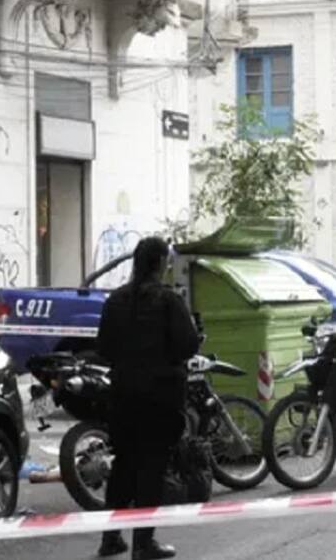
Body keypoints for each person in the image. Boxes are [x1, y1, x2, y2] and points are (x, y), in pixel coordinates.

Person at [96, 237, 198, 560]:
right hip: (160, 397)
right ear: (160, 263)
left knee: (124, 464)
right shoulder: (168, 301)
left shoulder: (115, 301)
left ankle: (110, 537)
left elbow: (104, 348)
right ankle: (143, 543)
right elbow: (188, 345)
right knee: (152, 467)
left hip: (123, 396)